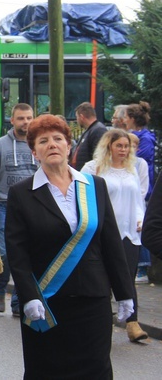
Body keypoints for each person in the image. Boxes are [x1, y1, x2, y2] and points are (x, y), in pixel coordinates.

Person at [5, 114, 134, 379]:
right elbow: (17, 253)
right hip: (46, 303)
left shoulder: (94, 186)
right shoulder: (21, 193)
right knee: (47, 371)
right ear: (34, 152)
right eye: (43, 141)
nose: (51, 144)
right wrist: (28, 296)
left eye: (57, 139)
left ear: (69, 145)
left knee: (96, 370)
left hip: (93, 300)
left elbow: (111, 244)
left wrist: (125, 292)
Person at [81, 129, 148, 342]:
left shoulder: (132, 170)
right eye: (119, 145)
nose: (123, 150)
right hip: (103, 234)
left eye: (126, 146)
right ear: (109, 145)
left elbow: (138, 199)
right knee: (103, 279)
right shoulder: (94, 168)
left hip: (129, 233)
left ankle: (132, 323)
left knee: (127, 277)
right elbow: (82, 195)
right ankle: (100, 321)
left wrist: (141, 219)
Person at [0, 103, 38, 316]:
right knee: (5, 253)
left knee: (26, 256)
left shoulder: (37, 144)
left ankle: (18, 301)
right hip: (5, 206)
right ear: (12, 120)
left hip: (32, 207)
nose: (26, 122)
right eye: (21, 118)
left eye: (29, 118)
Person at [125, 101, 156, 284]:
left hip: (142, 188)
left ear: (132, 119)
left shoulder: (144, 138)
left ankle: (143, 267)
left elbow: (141, 160)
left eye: (126, 118)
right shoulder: (135, 136)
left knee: (140, 224)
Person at [70, 102, 108, 171]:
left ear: (81, 117)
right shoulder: (90, 130)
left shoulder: (99, 130)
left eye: (77, 117)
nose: (76, 120)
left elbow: (99, 156)